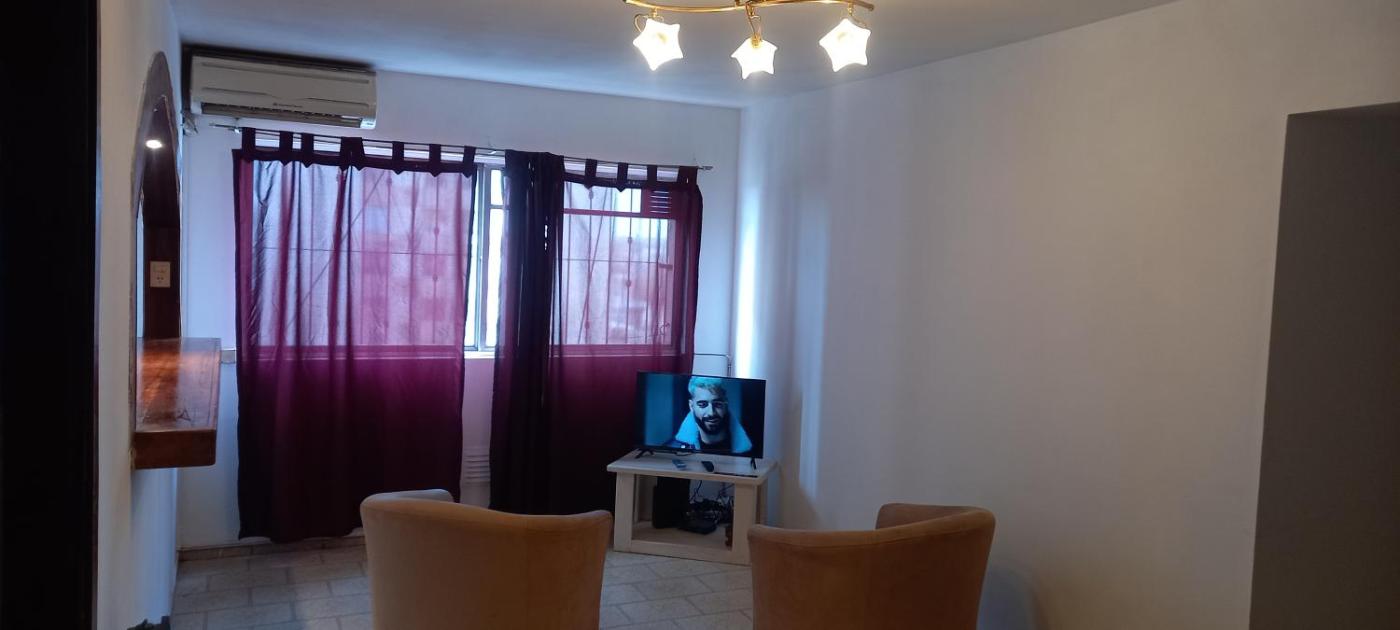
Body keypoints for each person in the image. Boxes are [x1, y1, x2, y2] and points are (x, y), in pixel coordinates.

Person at [666, 376, 753, 455]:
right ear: (691, 406)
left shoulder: (751, 452)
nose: (711, 413)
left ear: (726, 404)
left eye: (717, 404)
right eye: (703, 405)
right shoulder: (671, 450)